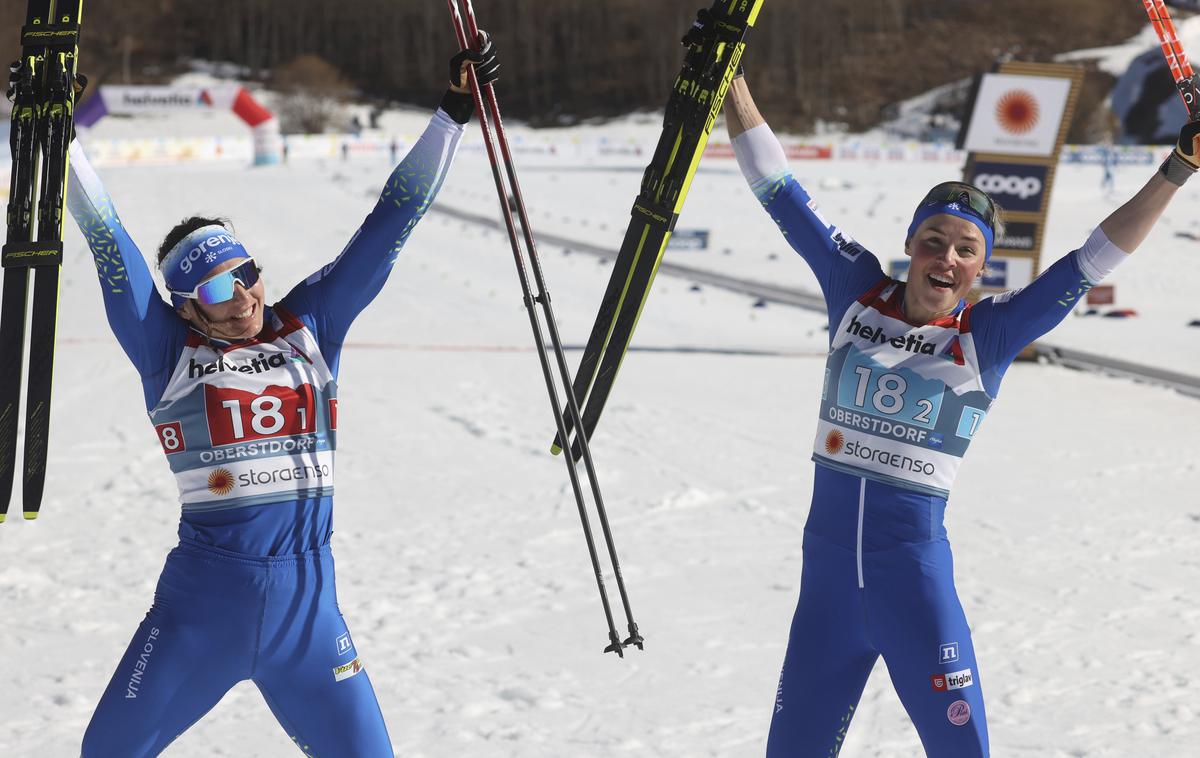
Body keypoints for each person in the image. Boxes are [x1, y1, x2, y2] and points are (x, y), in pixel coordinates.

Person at [724, 72, 1198, 757]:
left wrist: (1177, 167)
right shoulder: (855, 290)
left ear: (980, 268)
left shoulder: (987, 337)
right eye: (933, 239)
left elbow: (1093, 257)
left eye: (965, 249)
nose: (945, 257)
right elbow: (779, 189)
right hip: (824, 588)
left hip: (912, 589)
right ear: (911, 244)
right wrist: (732, 81)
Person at [67, 34, 499, 757]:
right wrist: (60, 140)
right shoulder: (168, 352)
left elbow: (391, 220)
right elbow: (107, 242)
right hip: (200, 614)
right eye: (212, 288)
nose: (238, 296)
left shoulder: (312, 325)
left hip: (310, 617)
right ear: (184, 306)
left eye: (245, 272)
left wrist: (452, 112)